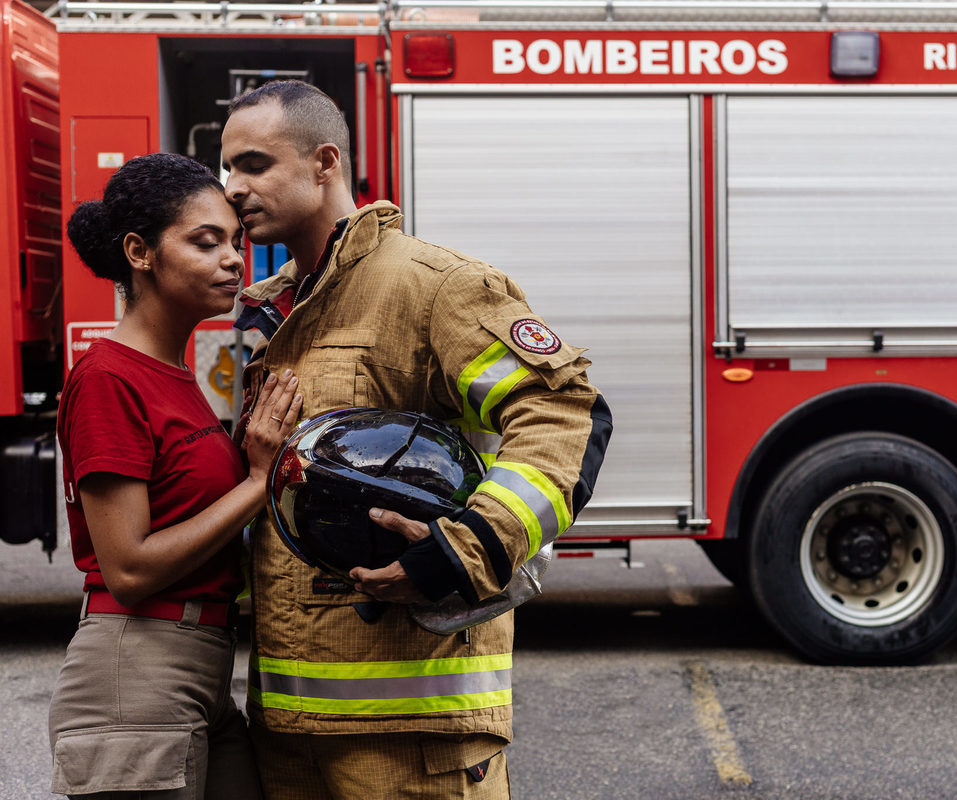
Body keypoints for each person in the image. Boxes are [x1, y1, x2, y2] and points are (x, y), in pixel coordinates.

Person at [221, 80, 612, 799]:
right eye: (225, 169)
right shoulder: (265, 316)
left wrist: (458, 553)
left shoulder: (434, 287)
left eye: (252, 165)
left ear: (323, 163)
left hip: (416, 734)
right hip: (288, 731)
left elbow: (562, 413)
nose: (232, 187)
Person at [48, 152, 303, 799]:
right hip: (135, 671)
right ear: (140, 252)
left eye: (235, 242)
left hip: (201, 667)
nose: (233, 259)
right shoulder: (109, 377)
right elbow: (129, 569)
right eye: (205, 241)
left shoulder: (174, 376)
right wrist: (256, 482)